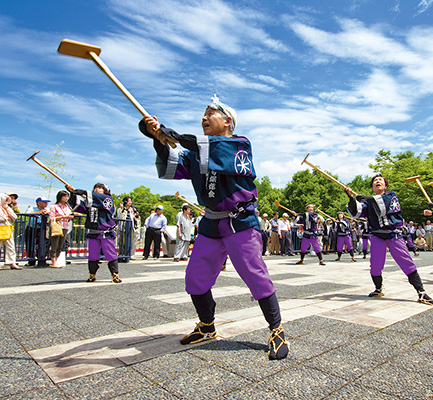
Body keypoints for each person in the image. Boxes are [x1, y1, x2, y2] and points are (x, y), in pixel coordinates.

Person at [139, 95, 288, 360]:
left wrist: (169, 133)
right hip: (210, 222)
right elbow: (173, 163)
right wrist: (157, 139)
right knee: (196, 278)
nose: (204, 118)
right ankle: (207, 326)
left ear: (228, 121)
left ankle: (277, 330)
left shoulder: (239, 146)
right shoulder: (198, 152)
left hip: (240, 221)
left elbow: (212, 149)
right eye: (203, 114)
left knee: (255, 276)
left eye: (210, 113)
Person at [347, 174, 433, 306]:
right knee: (375, 266)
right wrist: (351, 198)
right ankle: (378, 289)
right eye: (375, 181)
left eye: (380, 180)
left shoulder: (391, 196)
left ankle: (421, 292)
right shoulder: (369, 202)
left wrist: (368, 199)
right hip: (378, 236)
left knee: (407, 263)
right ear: (372, 187)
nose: (377, 181)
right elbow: (357, 212)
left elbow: (384, 205)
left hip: (393, 235)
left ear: (385, 185)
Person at [67, 183, 122, 283]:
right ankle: (92, 275)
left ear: (105, 191)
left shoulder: (108, 200)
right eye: (96, 187)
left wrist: (82, 192)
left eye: (100, 188)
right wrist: (73, 194)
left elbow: (99, 199)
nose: (97, 189)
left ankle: (115, 275)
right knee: (93, 255)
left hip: (106, 232)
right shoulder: (90, 203)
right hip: (93, 232)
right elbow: (77, 206)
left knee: (110, 254)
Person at [49, 190, 73, 268]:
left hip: (65, 226)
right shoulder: (54, 206)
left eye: (67, 196)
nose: (66, 198)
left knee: (61, 245)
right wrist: (62, 217)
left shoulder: (68, 207)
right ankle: (53, 261)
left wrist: (69, 217)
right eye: (64, 196)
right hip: (57, 226)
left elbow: (69, 215)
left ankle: (57, 259)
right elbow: (52, 218)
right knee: (54, 244)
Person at [25, 197, 50, 267]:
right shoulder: (32, 209)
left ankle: (41, 259)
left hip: (41, 229)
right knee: (30, 244)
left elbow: (52, 213)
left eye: (46, 202)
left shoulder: (47, 209)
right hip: (31, 227)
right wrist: (39, 212)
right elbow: (27, 213)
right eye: (44, 202)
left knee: (42, 244)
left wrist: (46, 212)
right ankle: (31, 260)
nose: (46, 204)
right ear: (38, 203)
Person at [0, 193, 20, 269]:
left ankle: (12, 262)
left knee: (11, 246)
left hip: (8, 228)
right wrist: (6, 218)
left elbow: (15, 217)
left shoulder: (7, 208)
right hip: (1, 228)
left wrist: (7, 212)